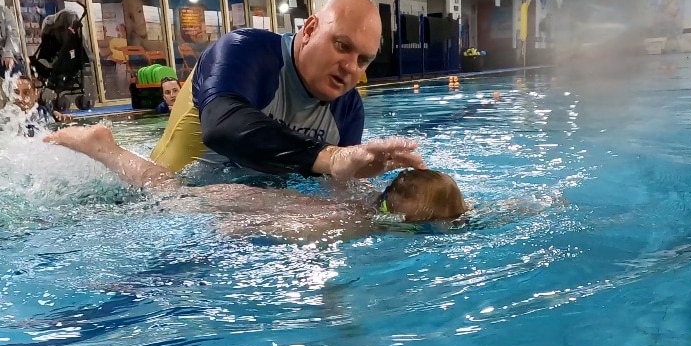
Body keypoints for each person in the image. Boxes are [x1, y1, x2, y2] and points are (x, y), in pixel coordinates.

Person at [148, 0, 424, 181]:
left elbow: (338, 182)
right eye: (342, 46)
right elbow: (222, 127)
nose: (351, 67)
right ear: (310, 29)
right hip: (172, 190)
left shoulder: (348, 108)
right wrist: (330, 157)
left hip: (251, 194)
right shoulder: (244, 50)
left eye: (363, 60)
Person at [44, 125, 467, 240]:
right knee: (166, 194)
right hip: (237, 204)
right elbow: (301, 230)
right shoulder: (357, 224)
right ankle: (105, 149)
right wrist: (246, 228)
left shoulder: (364, 198)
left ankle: (108, 148)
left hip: (249, 194)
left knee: (171, 188)